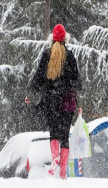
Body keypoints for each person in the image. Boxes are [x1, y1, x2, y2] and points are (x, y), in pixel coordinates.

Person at [25, 24, 83, 179]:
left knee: (54, 133)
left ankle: (54, 159)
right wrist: (79, 104)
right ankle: (63, 171)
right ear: (65, 39)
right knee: (64, 135)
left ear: (52, 39)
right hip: (67, 102)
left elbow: (38, 77)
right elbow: (75, 82)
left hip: (51, 101)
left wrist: (31, 95)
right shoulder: (69, 56)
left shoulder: (47, 55)